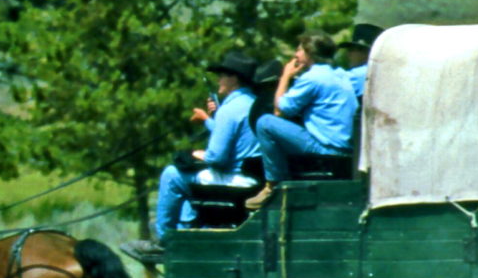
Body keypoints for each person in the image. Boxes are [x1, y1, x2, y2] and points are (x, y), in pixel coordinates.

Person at [125, 52, 261, 263]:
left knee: (172, 175)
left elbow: (217, 158)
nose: (219, 80)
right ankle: (185, 230)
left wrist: (200, 154)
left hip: (235, 181)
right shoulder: (254, 103)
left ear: (234, 78)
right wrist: (209, 120)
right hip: (253, 179)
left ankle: (163, 242)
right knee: (190, 178)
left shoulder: (229, 109)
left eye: (222, 75)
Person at [249, 31, 357, 205]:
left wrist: (285, 76)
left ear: (310, 53)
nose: (296, 55)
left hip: (326, 148)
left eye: (299, 50)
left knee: (265, 123)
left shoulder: (312, 77)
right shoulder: (341, 75)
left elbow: (280, 110)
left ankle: (272, 186)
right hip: (345, 149)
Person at [336, 23, 382, 100]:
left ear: (366, 52)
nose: (348, 54)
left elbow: (331, 83)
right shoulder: (383, 71)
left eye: (352, 50)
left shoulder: (361, 73)